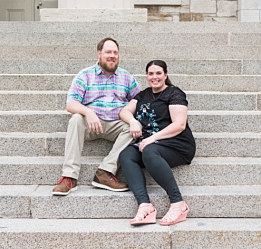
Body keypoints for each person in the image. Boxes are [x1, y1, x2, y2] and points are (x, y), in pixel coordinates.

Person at [52, 37, 139, 196]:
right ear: (99, 54)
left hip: (116, 124)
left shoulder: (127, 77)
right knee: (76, 119)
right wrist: (88, 112)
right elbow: (70, 104)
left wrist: (133, 120)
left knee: (133, 128)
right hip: (91, 124)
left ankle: (105, 172)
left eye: (115, 52)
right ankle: (69, 177)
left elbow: (139, 100)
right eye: (108, 52)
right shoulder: (85, 75)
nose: (112, 56)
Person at [118, 60, 196, 226]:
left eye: (158, 73)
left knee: (149, 151)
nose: (154, 77)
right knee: (126, 155)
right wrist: (133, 122)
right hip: (151, 145)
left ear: (165, 75)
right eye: (151, 74)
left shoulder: (174, 94)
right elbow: (124, 111)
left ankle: (178, 203)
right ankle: (145, 206)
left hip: (177, 144)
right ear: (147, 76)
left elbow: (179, 125)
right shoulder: (144, 95)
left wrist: (152, 138)